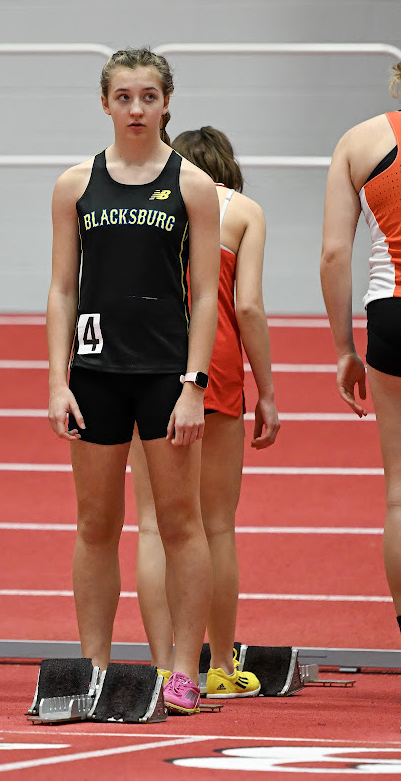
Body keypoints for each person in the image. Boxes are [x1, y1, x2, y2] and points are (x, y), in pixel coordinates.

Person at [46, 48, 221, 714]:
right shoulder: (74, 185)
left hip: (164, 376)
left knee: (179, 522)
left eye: (148, 97)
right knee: (94, 522)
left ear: (166, 102)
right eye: (124, 97)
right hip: (93, 374)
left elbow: (204, 295)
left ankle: (181, 668)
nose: (137, 109)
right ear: (104, 104)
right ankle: (92, 665)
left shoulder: (191, 186)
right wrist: (56, 381)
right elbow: (62, 288)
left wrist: (194, 385)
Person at [130, 126, 280, 698]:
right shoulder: (243, 212)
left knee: (152, 523)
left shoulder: (146, 198)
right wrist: (266, 390)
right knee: (215, 524)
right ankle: (217, 665)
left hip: (149, 356)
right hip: (214, 364)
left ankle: (166, 669)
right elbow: (248, 305)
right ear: (230, 171)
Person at [320, 63, 401, 641]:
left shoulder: (360, 141)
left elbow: (332, 255)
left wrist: (345, 348)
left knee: (399, 492)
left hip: (391, 314)